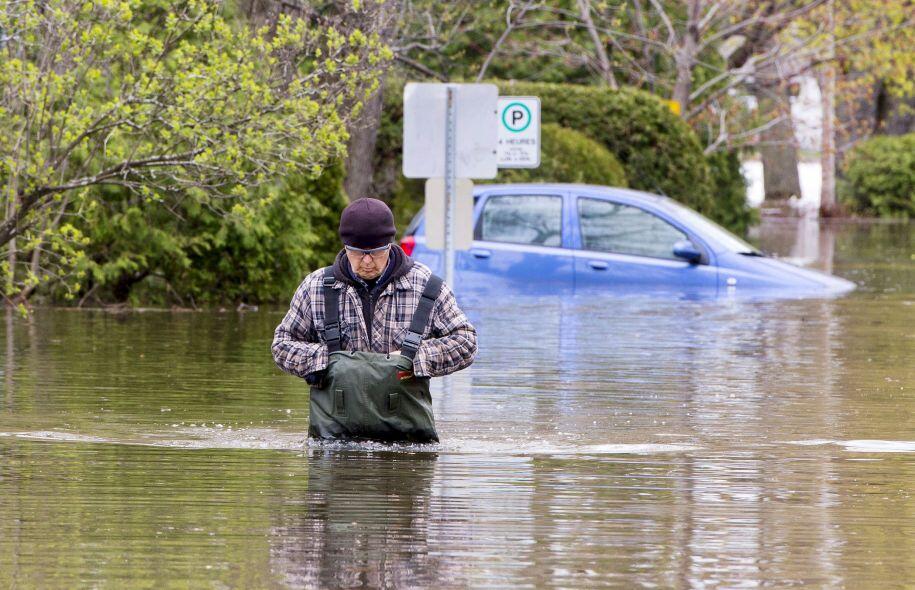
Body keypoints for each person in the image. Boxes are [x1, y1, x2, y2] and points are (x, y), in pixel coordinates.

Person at [271, 197, 477, 443]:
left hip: (408, 442)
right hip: (333, 440)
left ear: (390, 245)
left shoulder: (427, 287)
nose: (366, 261)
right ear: (344, 246)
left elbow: (466, 342)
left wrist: (413, 358)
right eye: (357, 253)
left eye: (375, 252)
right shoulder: (314, 288)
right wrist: (326, 361)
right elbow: (282, 345)